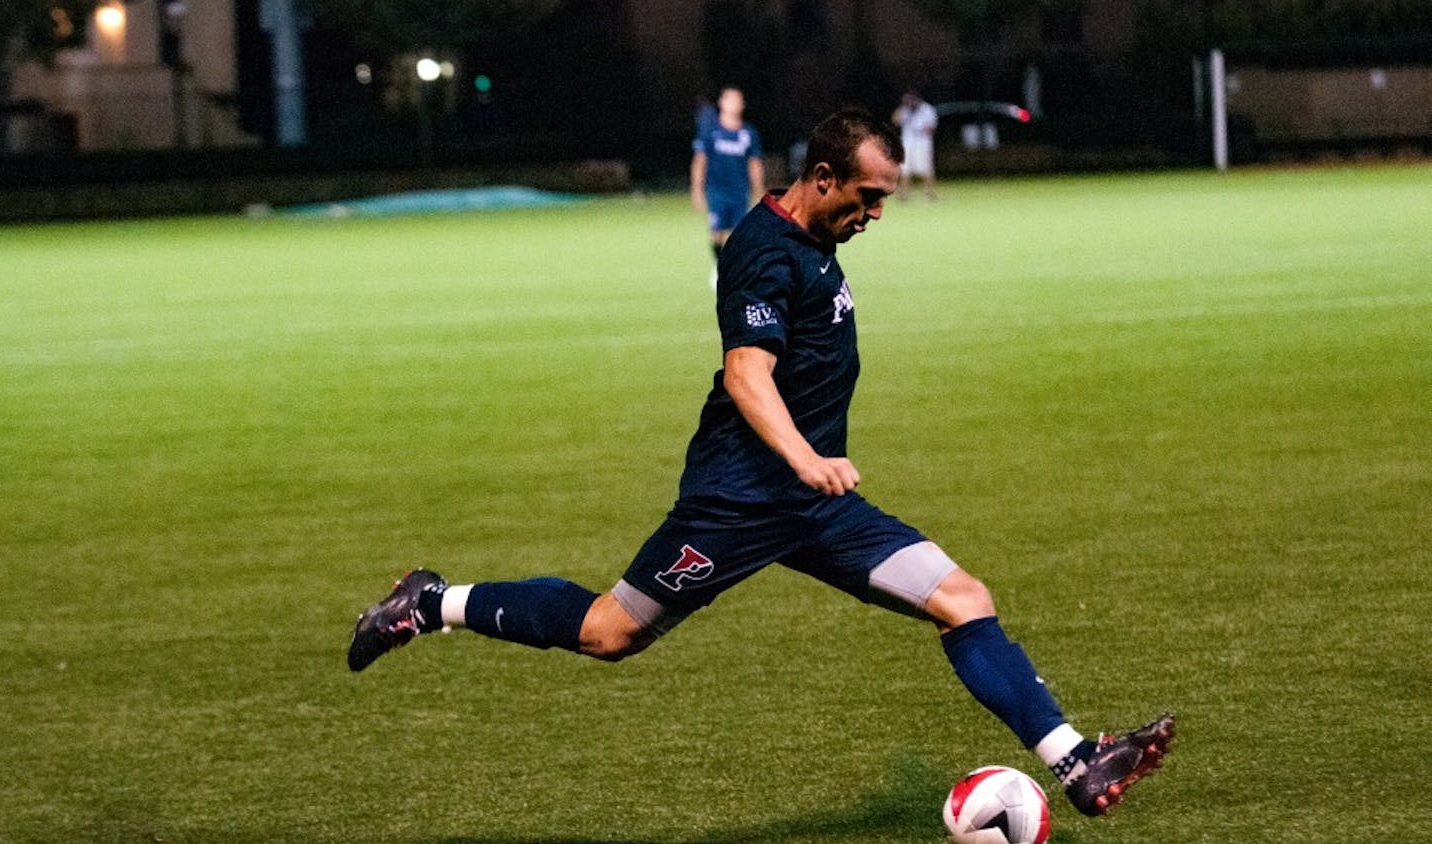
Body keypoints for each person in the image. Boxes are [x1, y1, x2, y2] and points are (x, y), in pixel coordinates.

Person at [348, 109, 1174, 819]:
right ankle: (431, 601)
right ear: (823, 178)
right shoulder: (763, 252)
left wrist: (811, 471)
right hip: (739, 502)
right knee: (609, 631)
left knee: (963, 598)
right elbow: (747, 374)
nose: (876, 214)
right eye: (868, 196)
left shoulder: (813, 237)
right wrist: (805, 457)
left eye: (885, 199)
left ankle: (1077, 762)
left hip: (813, 505)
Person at [690, 86, 765, 286]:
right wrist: (697, 189)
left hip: (739, 191)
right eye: (730, 100)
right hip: (716, 190)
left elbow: (754, 163)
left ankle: (734, 270)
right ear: (722, 103)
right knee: (717, 232)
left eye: (738, 100)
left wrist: (758, 190)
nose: (734, 104)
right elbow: (700, 160)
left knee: (739, 234)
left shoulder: (748, 133)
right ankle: (718, 264)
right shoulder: (711, 131)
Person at [892, 91, 938, 199]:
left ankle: (930, 192)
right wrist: (901, 107)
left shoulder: (927, 109)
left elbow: (932, 127)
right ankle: (904, 193)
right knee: (905, 168)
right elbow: (895, 121)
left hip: (922, 142)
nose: (910, 103)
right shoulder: (905, 110)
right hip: (908, 142)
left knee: (926, 167)